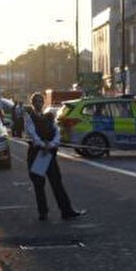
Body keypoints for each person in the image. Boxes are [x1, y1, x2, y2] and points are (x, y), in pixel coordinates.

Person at [24, 92, 85, 221]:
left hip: (48, 153)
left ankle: (66, 211)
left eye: (41, 101)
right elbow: (32, 134)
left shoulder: (49, 117)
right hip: (38, 154)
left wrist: (51, 144)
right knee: (39, 184)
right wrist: (42, 145)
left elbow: (57, 132)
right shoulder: (30, 117)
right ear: (32, 104)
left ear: (43, 103)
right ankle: (43, 212)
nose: (39, 104)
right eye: (36, 101)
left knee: (56, 182)